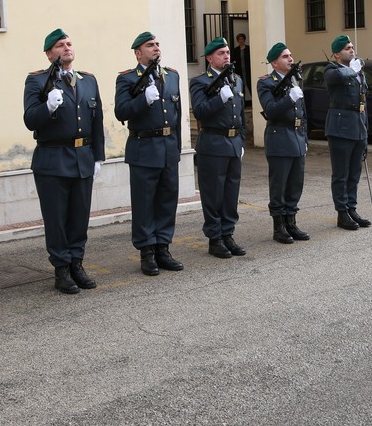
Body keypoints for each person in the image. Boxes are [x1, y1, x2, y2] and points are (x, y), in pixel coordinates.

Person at [23, 28, 105, 294]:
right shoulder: (36, 82)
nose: (66, 48)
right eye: (60, 45)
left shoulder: (88, 81)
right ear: (49, 54)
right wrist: (47, 108)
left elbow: (98, 121)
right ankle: (61, 269)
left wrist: (98, 156)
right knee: (57, 218)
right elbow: (30, 120)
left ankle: (76, 263)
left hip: (82, 157)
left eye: (69, 43)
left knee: (79, 217)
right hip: (53, 158)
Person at [115, 32, 184, 276]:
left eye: (157, 44)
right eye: (149, 45)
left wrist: (177, 149)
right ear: (137, 53)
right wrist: (143, 100)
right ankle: (146, 252)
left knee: (167, 201)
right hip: (144, 148)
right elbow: (121, 111)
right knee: (145, 204)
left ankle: (163, 248)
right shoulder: (127, 79)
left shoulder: (172, 75)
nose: (155, 48)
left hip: (168, 147)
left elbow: (178, 115)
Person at [190, 37, 247, 258]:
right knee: (213, 194)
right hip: (213, 143)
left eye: (227, 52)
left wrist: (241, 140)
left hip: (233, 143)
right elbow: (200, 111)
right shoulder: (201, 82)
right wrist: (219, 99)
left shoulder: (237, 80)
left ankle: (228, 233)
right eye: (221, 53)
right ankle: (215, 238)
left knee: (231, 193)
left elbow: (240, 115)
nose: (226, 56)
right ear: (209, 58)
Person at [256, 42, 310, 244]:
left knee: (295, 184)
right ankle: (278, 226)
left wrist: (305, 139)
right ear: (274, 63)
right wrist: (289, 98)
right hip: (280, 138)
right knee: (279, 185)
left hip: (297, 137)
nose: (290, 59)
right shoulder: (266, 83)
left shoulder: (294, 80)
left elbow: (303, 114)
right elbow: (270, 110)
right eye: (285, 56)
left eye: (290, 55)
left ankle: (291, 222)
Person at [324, 34, 372, 231]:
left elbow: (363, 103)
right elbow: (336, 78)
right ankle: (342, 212)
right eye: (347, 48)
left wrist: (366, 131)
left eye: (352, 47)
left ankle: (352, 208)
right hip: (340, 128)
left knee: (354, 173)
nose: (352, 50)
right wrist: (353, 70)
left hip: (358, 125)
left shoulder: (358, 72)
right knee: (341, 173)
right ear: (336, 54)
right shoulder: (332, 70)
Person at [230, 33, 251, 98]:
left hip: (248, 71)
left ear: (244, 40)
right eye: (239, 39)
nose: (241, 40)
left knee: (250, 86)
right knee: (241, 89)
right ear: (237, 40)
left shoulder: (249, 49)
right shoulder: (235, 50)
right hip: (239, 72)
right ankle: (242, 105)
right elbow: (233, 61)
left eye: (242, 39)